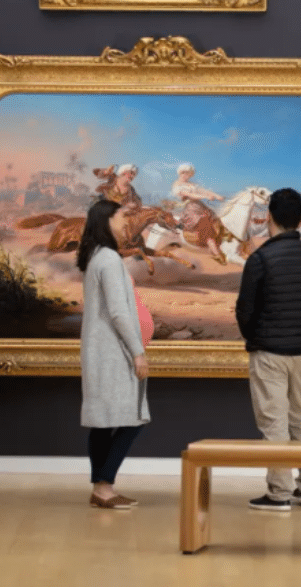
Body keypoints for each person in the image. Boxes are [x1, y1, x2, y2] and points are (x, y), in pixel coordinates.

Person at [235, 188, 301, 511]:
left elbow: (244, 311)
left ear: (268, 217)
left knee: (274, 423)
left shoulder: (260, 259)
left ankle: (279, 493)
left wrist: (256, 337)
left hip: (269, 352)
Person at [77, 199, 151, 510]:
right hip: (112, 352)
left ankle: (101, 488)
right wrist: (137, 352)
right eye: (122, 217)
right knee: (132, 418)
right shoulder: (108, 259)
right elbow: (119, 312)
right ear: (106, 220)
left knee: (104, 422)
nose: (126, 222)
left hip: (101, 351)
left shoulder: (97, 256)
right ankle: (104, 485)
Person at [171, 163, 225, 263]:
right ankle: (216, 253)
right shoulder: (177, 185)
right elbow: (190, 195)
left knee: (216, 221)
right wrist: (205, 197)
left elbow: (203, 190)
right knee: (204, 225)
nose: (187, 175)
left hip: (201, 207)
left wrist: (217, 195)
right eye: (184, 173)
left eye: (189, 173)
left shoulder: (191, 184)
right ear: (181, 173)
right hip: (191, 209)